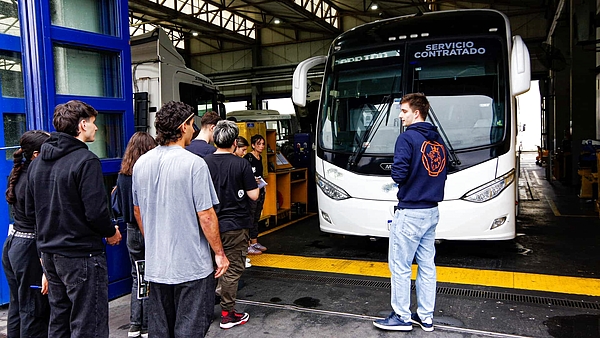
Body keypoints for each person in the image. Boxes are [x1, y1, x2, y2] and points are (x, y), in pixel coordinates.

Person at [132, 101, 229, 337]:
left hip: (157, 266)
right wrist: (219, 253)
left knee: (161, 329)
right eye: (192, 124)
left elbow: (138, 211)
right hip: (191, 267)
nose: (194, 129)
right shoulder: (194, 164)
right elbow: (206, 215)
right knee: (190, 329)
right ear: (183, 126)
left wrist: (154, 241)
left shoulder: (141, 164)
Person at [26, 100, 122, 338]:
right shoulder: (85, 161)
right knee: (89, 322)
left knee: (59, 319)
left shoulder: (37, 164)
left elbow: (32, 211)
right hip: (82, 254)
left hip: (50, 253)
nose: (96, 128)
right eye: (93, 123)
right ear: (82, 125)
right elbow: (96, 212)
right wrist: (111, 233)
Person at [373, 93, 447, 332]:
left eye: (404, 111)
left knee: (400, 266)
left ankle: (401, 317)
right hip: (431, 211)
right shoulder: (438, 141)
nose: (400, 115)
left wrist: (398, 171)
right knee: (427, 265)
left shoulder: (407, 139)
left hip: (410, 211)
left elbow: (399, 174)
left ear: (417, 113)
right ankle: (425, 317)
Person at [204, 120, 259, 329]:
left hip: (209, 225)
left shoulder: (204, 162)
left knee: (211, 269)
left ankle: (205, 310)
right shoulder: (241, 164)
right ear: (235, 142)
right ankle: (227, 314)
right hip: (235, 226)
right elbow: (253, 195)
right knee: (232, 269)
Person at [2, 130, 51, 337]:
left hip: (13, 244)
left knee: (18, 306)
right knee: (33, 310)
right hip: (29, 250)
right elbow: (41, 222)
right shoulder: (36, 179)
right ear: (36, 154)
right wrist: (45, 263)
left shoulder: (19, 173)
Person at [112, 132, 157, 338]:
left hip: (131, 231)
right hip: (148, 229)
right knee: (150, 276)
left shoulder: (122, 176)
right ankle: (147, 324)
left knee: (137, 276)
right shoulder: (148, 174)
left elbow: (118, 206)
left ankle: (134, 324)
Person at [244, 134, 268, 255]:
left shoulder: (260, 158)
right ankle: (248, 244)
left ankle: (254, 241)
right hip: (252, 191)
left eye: (263, 144)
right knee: (251, 216)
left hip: (260, 189)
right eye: (258, 144)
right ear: (253, 145)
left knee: (257, 216)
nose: (261, 146)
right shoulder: (248, 158)